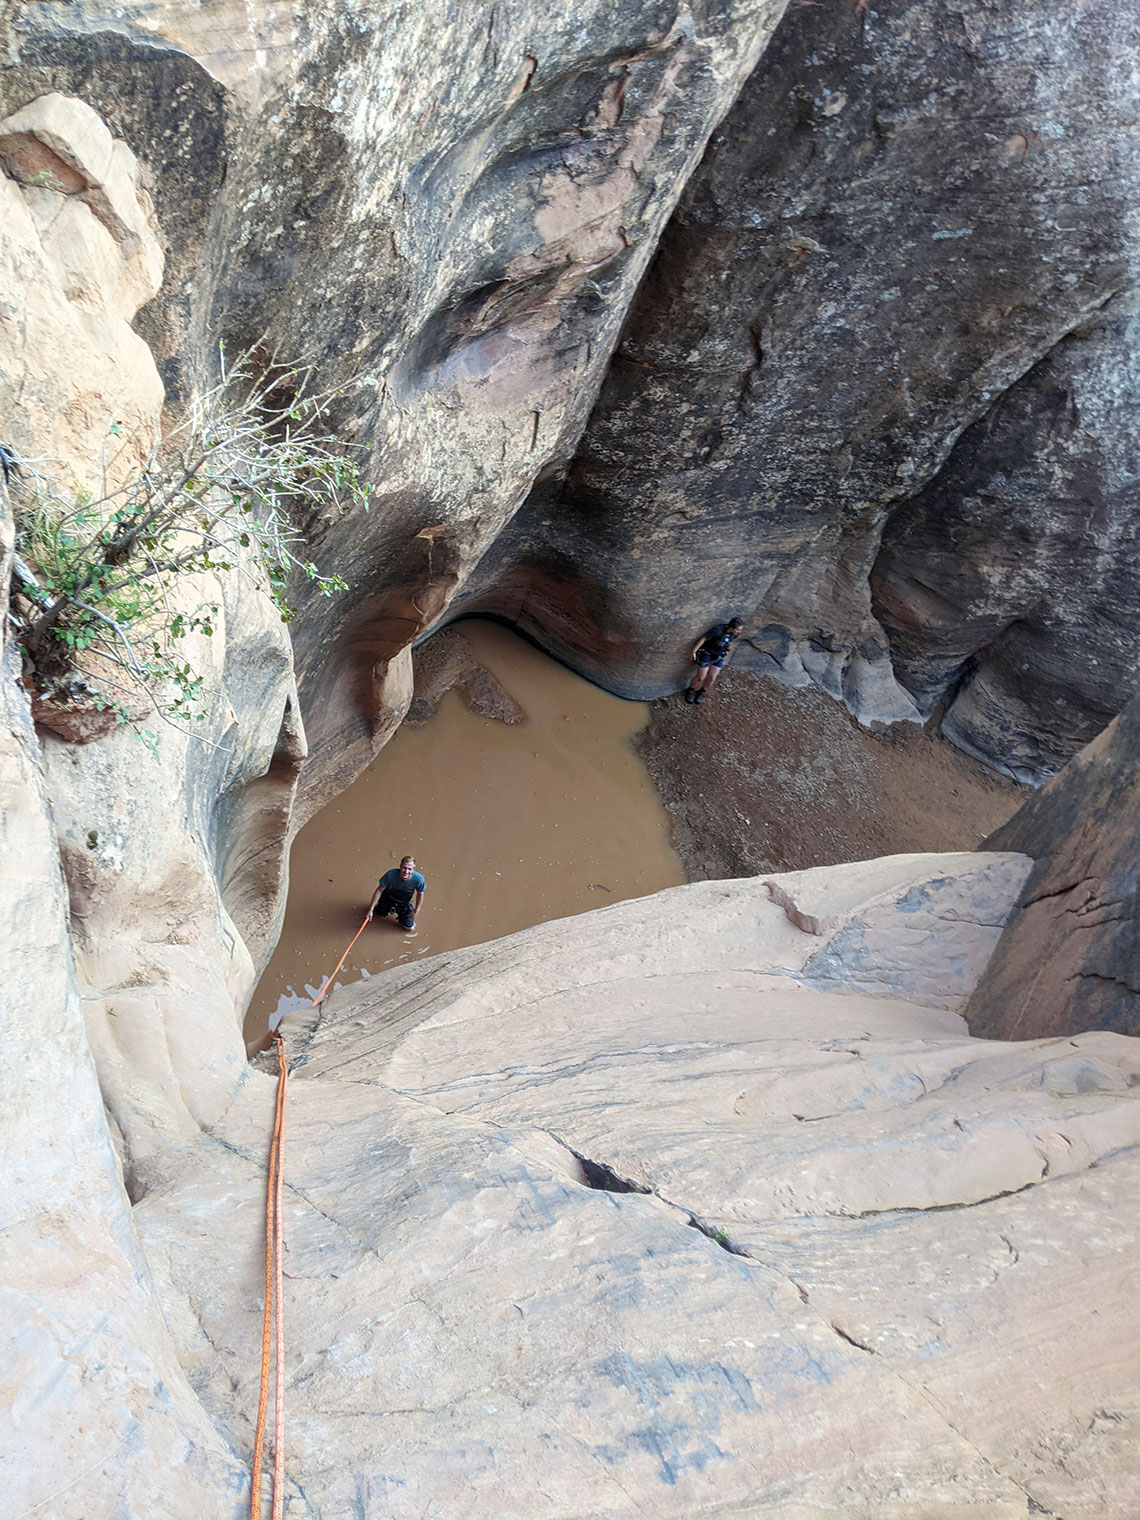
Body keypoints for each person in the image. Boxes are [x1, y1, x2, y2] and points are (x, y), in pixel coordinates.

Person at [686, 618, 744, 704]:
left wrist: (727, 649)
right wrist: (694, 651)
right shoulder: (718, 630)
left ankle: (701, 692)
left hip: (719, 656)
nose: (739, 632)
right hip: (707, 654)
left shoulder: (734, 634)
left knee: (712, 678)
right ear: (732, 627)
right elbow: (704, 639)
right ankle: (690, 690)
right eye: (738, 629)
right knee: (700, 677)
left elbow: (730, 641)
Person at [367, 855, 426, 930]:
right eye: (404, 868)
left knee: (409, 927)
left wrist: (416, 911)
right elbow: (379, 890)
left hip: (404, 903)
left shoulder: (419, 879)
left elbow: (420, 894)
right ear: (400, 867)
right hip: (387, 899)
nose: (406, 872)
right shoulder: (390, 875)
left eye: (409, 869)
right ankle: (380, 908)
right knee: (379, 914)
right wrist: (370, 910)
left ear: (413, 869)